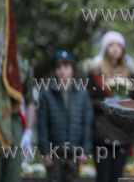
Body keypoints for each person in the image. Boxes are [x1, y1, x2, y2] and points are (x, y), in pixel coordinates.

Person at [87, 31, 134, 182]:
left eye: (118, 45)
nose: (115, 48)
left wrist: (126, 102)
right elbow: (88, 101)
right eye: (111, 45)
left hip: (122, 133)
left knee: (118, 177)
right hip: (102, 133)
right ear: (105, 48)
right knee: (103, 177)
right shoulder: (95, 73)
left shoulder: (131, 73)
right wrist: (105, 104)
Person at [38, 51, 93, 182]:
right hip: (54, 152)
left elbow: (87, 123)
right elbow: (43, 124)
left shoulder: (82, 94)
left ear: (73, 69)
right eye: (58, 67)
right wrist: (45, 151)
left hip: (75, 151)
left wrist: (85, 150)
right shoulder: (47, 94)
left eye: (66, 67)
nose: (63, 71)